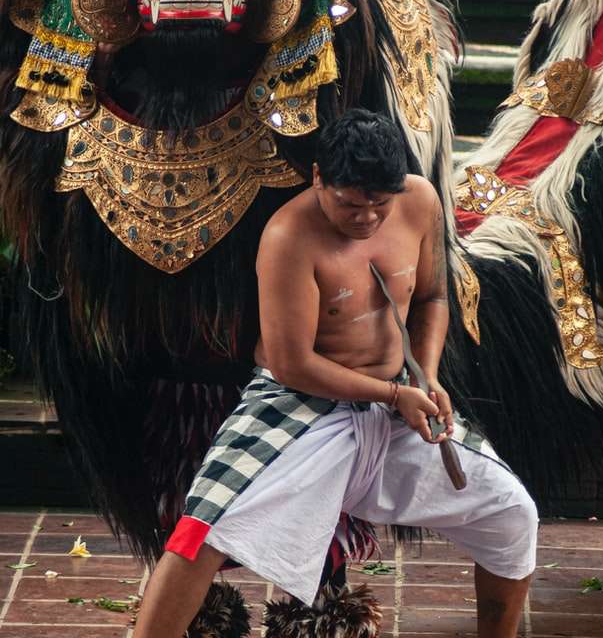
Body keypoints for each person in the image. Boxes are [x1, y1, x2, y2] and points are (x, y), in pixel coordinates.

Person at [133, 109, 538, 638]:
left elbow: (434, 297)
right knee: (201, 530)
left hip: (399, 399)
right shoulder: (288, 236)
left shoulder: (420, 201)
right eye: (350, 204)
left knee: (512, 511)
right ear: (320, 177)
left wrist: (427, 376)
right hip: (297, 402)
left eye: (379, 205)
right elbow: (291, 362)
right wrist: (394, 394)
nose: (366, 218)